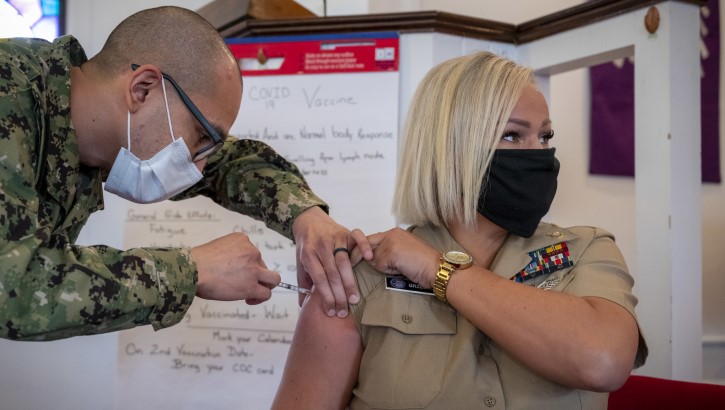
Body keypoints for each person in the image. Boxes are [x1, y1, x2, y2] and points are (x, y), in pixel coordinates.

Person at [272, 51, 648, 409]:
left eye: (545, 137)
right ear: (451, 149)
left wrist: (438, 271)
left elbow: (604, 361)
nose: (540, 153)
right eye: (514, 136)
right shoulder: (362, 276)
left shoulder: (585, 251)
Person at [0, 6, 369, 341]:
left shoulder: (84, 123)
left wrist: (306, 217)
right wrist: (192, 269)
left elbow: (234, 162)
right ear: (142, 88)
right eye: (201, 138)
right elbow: (14, 287)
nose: (199, 168)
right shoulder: (8, 95)